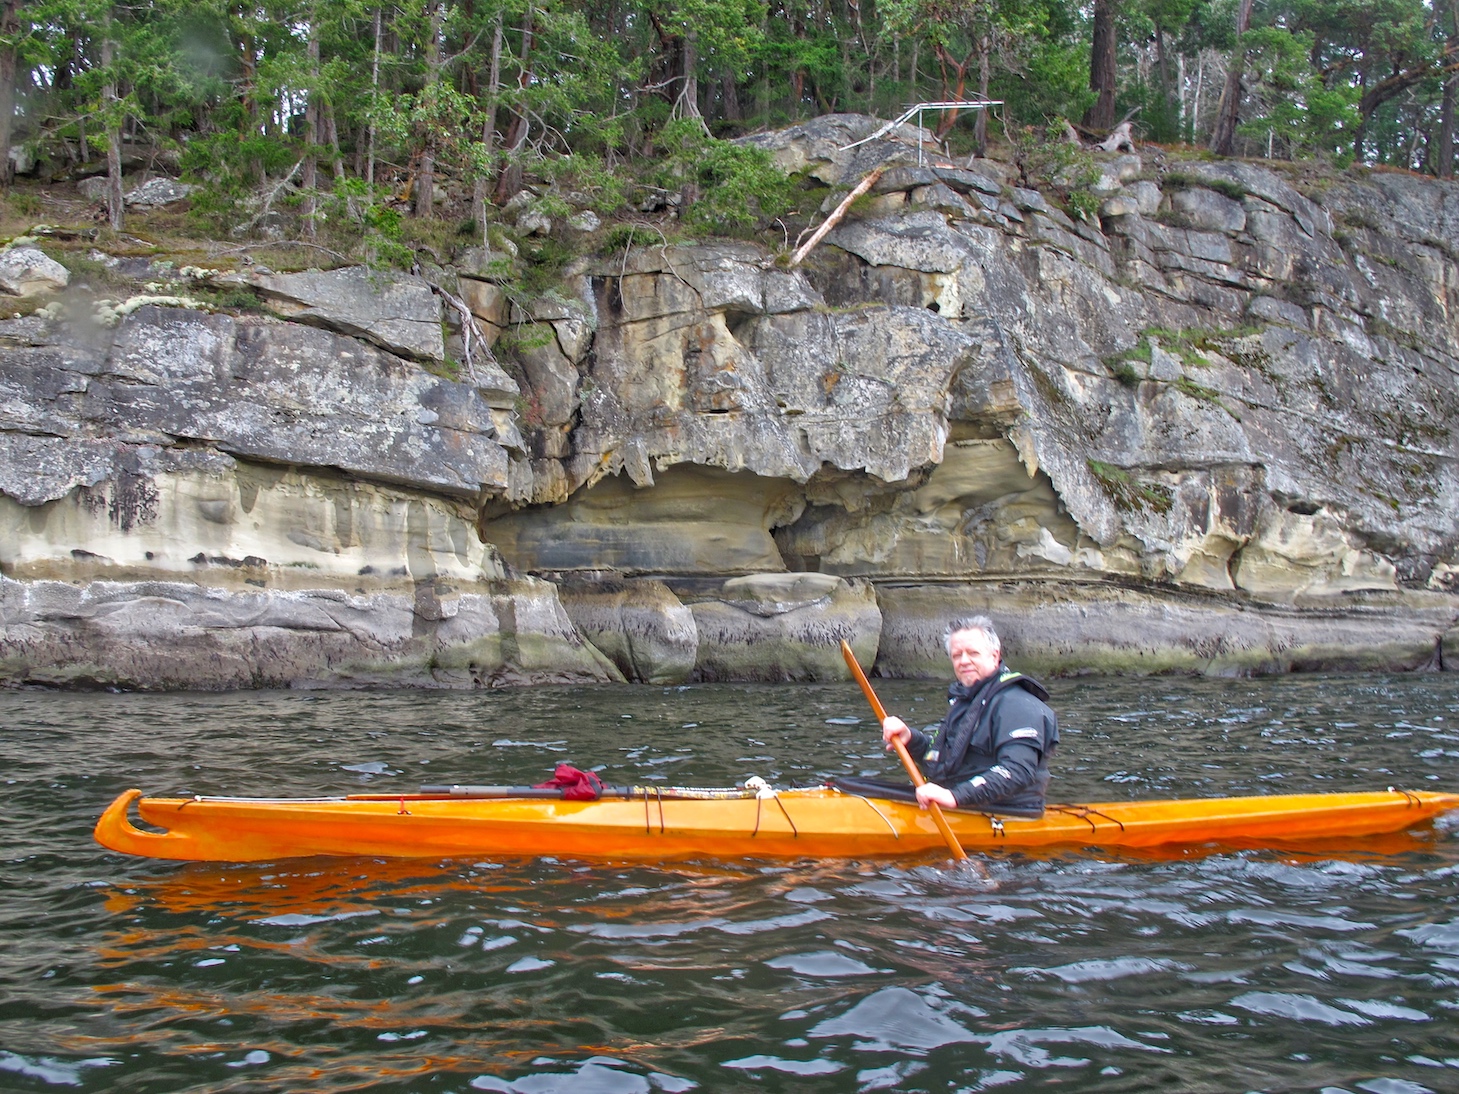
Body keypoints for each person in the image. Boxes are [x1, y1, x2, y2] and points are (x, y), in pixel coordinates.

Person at [880, 615, 1059, 817]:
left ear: (994, 655)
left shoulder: (1019, 705)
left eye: (973, 653)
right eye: (957, 655)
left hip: (1007, 813)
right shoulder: (966, 700)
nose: (964, 661)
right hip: (962, 805)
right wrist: (912, 740)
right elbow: (950, 762)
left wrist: (955, 797)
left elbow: (1016, 771)